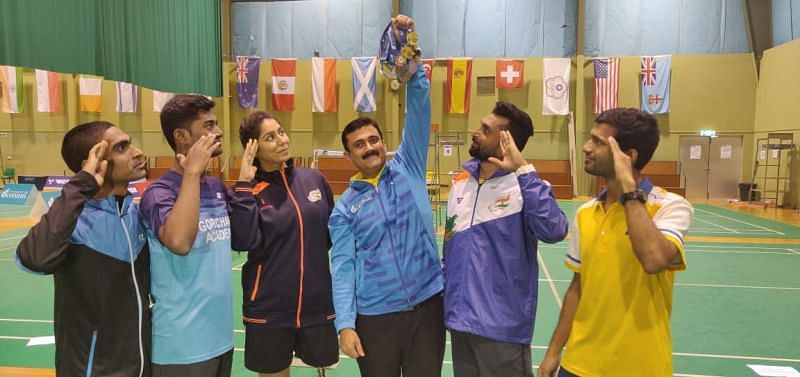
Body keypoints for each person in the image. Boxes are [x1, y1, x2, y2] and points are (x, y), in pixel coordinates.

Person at [328, 14, 445, 377]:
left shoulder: (407, 166)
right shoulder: (344, 209)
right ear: (349, 156)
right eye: (359, 145)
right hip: (375, 317)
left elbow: (420, 106)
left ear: (384, 143)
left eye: (373, 140)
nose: (369, 148)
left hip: (427, 307)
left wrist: (409, 49)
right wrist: (345, 324)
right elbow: (343, 268)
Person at [537, 108, 694, 377]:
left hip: (639, 367)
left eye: (598, 142)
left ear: (628, 156)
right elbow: (578, 287)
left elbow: (654, 260)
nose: (587, 147)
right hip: (577, 365)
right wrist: (553, 353)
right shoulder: (587, 212)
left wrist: (629, 191)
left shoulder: (670, 207)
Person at [443, 102, 569, 377]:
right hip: (460, 323)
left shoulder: (527, 186)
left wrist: (523, 170)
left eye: (485, 130)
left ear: (505, 141)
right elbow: (450, 250)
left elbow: (554, 230)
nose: (476, 132)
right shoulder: (460, 184)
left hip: (501, 328)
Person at [16, 121, 150, 376]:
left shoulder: (136, 214)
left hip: (140, 365)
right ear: (94, 161)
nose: (138, 152)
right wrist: (82, 184)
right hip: (90, 369)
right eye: (122, 147)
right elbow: (34, 259)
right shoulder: (72, 221)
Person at [229, 111, 338, 377]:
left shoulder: (313, 180)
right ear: (253, 148)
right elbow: (242, 240)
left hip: (316, 303)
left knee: (321, 367)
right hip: (269, 307)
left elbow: (330, 233)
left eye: (281, 131)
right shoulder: (247, 191)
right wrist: (243, 184)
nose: (281, 140)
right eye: (269, 137)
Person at [139, 95, 233, 377]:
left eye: (216, 125)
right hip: (182, 344)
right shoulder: (160, 193)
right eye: (208, 126)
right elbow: (179, 242)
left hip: (221, 336)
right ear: (181, 136)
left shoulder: (215, 186)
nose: (218, 132)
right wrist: (191, 172)